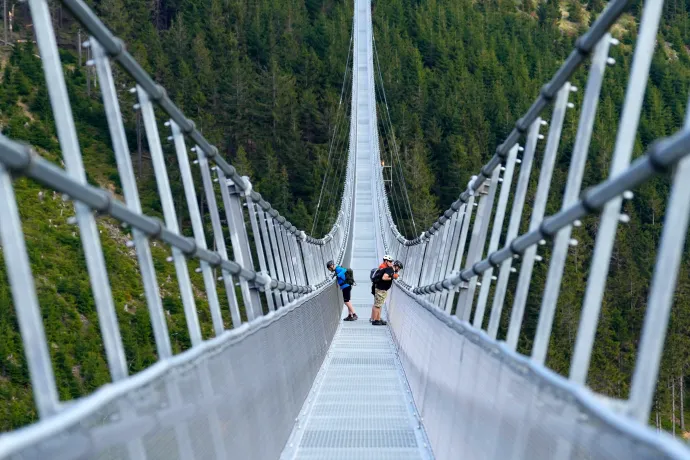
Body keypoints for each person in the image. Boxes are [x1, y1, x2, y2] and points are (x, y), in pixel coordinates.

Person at [370, 256, 402, 326]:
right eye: (399, 268)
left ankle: (377, 319)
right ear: (396, 266)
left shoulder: (390, 270)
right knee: (377, 305)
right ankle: (375, 320)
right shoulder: (390, 270)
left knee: (379, 304)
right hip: (381, 290)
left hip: (381, 289)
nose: (399, 270)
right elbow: (384, 277)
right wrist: (393, 277)